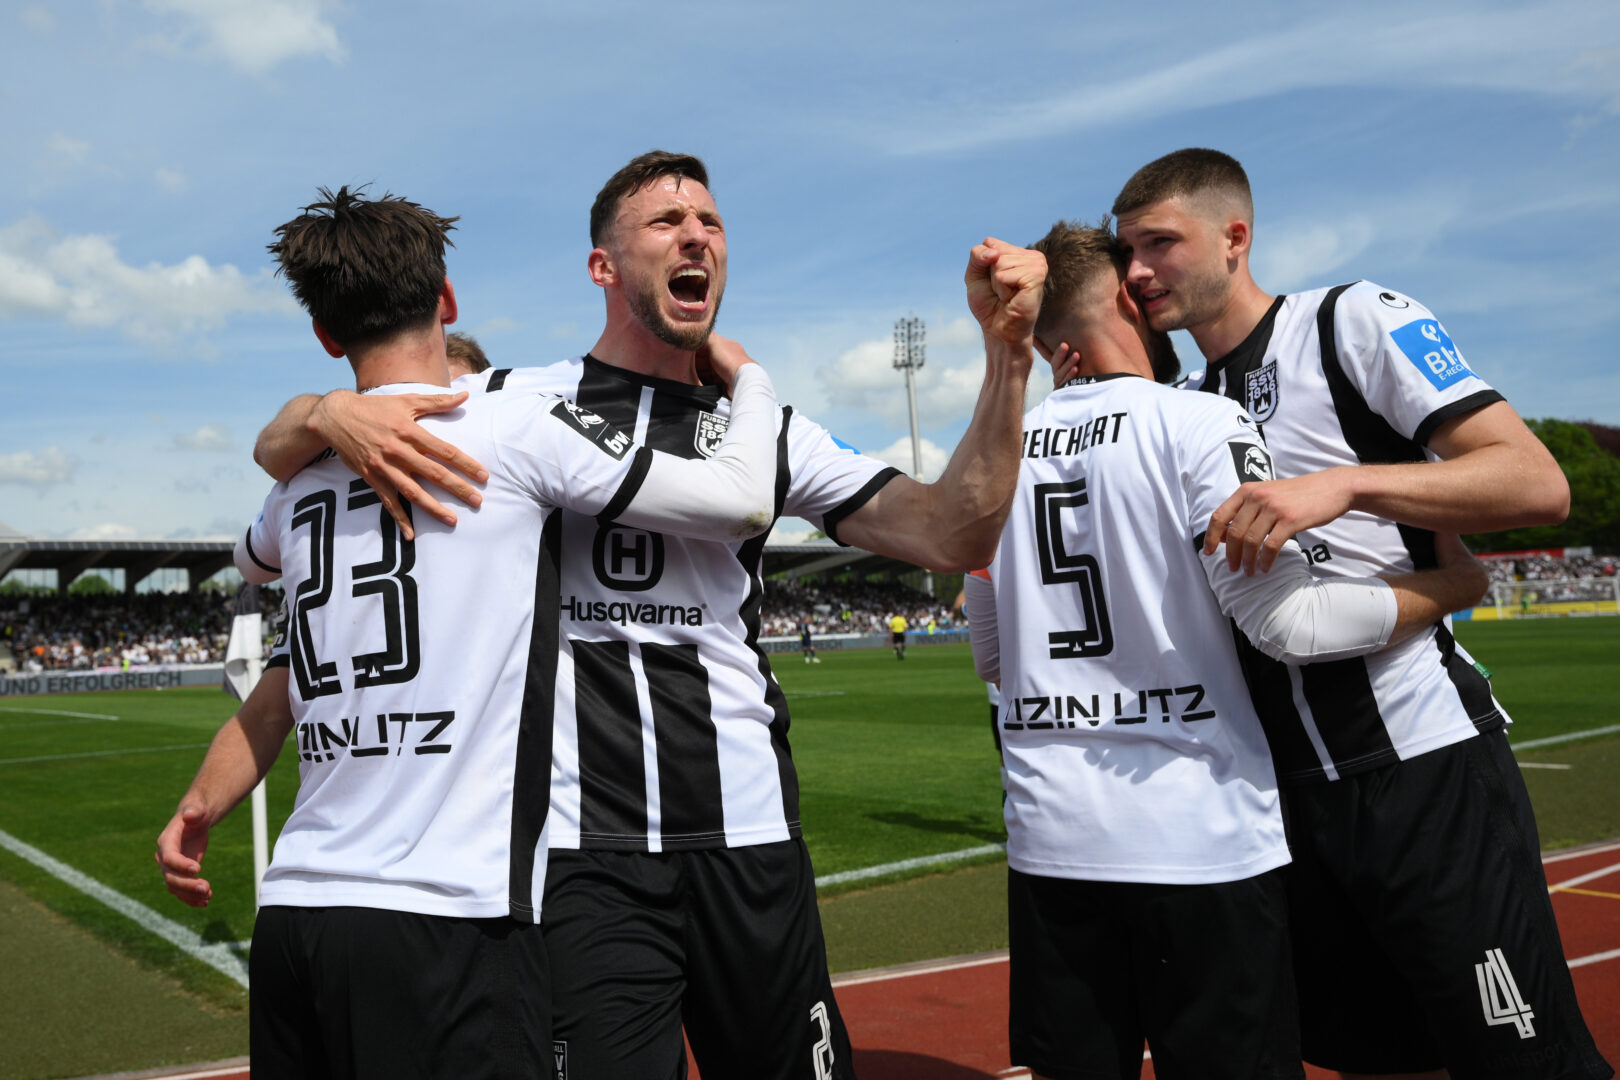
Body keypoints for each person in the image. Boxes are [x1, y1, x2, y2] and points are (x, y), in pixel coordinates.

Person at [246, 151, 1044, 1080]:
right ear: (603, 266)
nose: (696, 235)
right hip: (582, 856)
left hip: (748, 833)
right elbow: (330, 426)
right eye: (666, 222)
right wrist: (325, 411)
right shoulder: (512, 402)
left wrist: (1008, 357)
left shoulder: (765, 428)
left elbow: (953, 532)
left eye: (711, 221)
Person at [154, 185, 788, 1079]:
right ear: (446, 300)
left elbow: (250, 562)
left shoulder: (294, 486)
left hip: (298, 910)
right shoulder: (514, 426)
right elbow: (742, 501)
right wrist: (749, 377)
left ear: (327, 335)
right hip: (449, 912)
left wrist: (318, 414)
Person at [1112, 149, 1609, 1080]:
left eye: (1159, 244)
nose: (1137, 271)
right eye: (1127, 252)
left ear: (1234, 236)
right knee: (1376, 1057)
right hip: (1284, 799)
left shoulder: (1350, 321)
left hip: (1421, 767)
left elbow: (1536, 482)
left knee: (1522, 1059)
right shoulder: (1183, 408)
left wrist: (1344, 486)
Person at [970, 218, 1492, 1080]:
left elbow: (992, 657)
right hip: (1198, 836)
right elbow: (1291, 627)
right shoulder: (1199, 420)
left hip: (1051, 837)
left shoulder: (995, 454)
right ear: (1121, 300)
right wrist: (1454, 587)